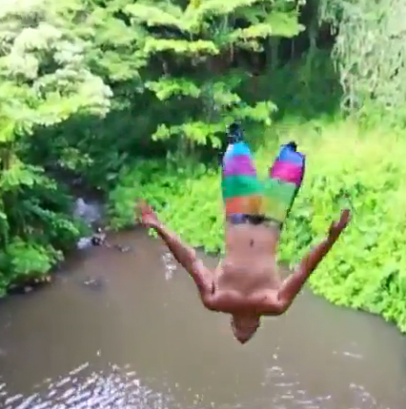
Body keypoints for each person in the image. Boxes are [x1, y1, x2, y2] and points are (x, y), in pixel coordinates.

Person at [137, 123, 351, 344]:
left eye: (242, 328)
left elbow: (190, 260)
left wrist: (159, 226)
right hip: (270, 216)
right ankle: (273, 143)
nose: (247, 324)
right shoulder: (273, 304)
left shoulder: (218, 299)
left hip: (244, 214)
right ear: (256, 323)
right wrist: (330, 239)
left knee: (236, 150)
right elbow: (304, 270)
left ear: (235, 321)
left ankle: (237, 140)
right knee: (292, 156)